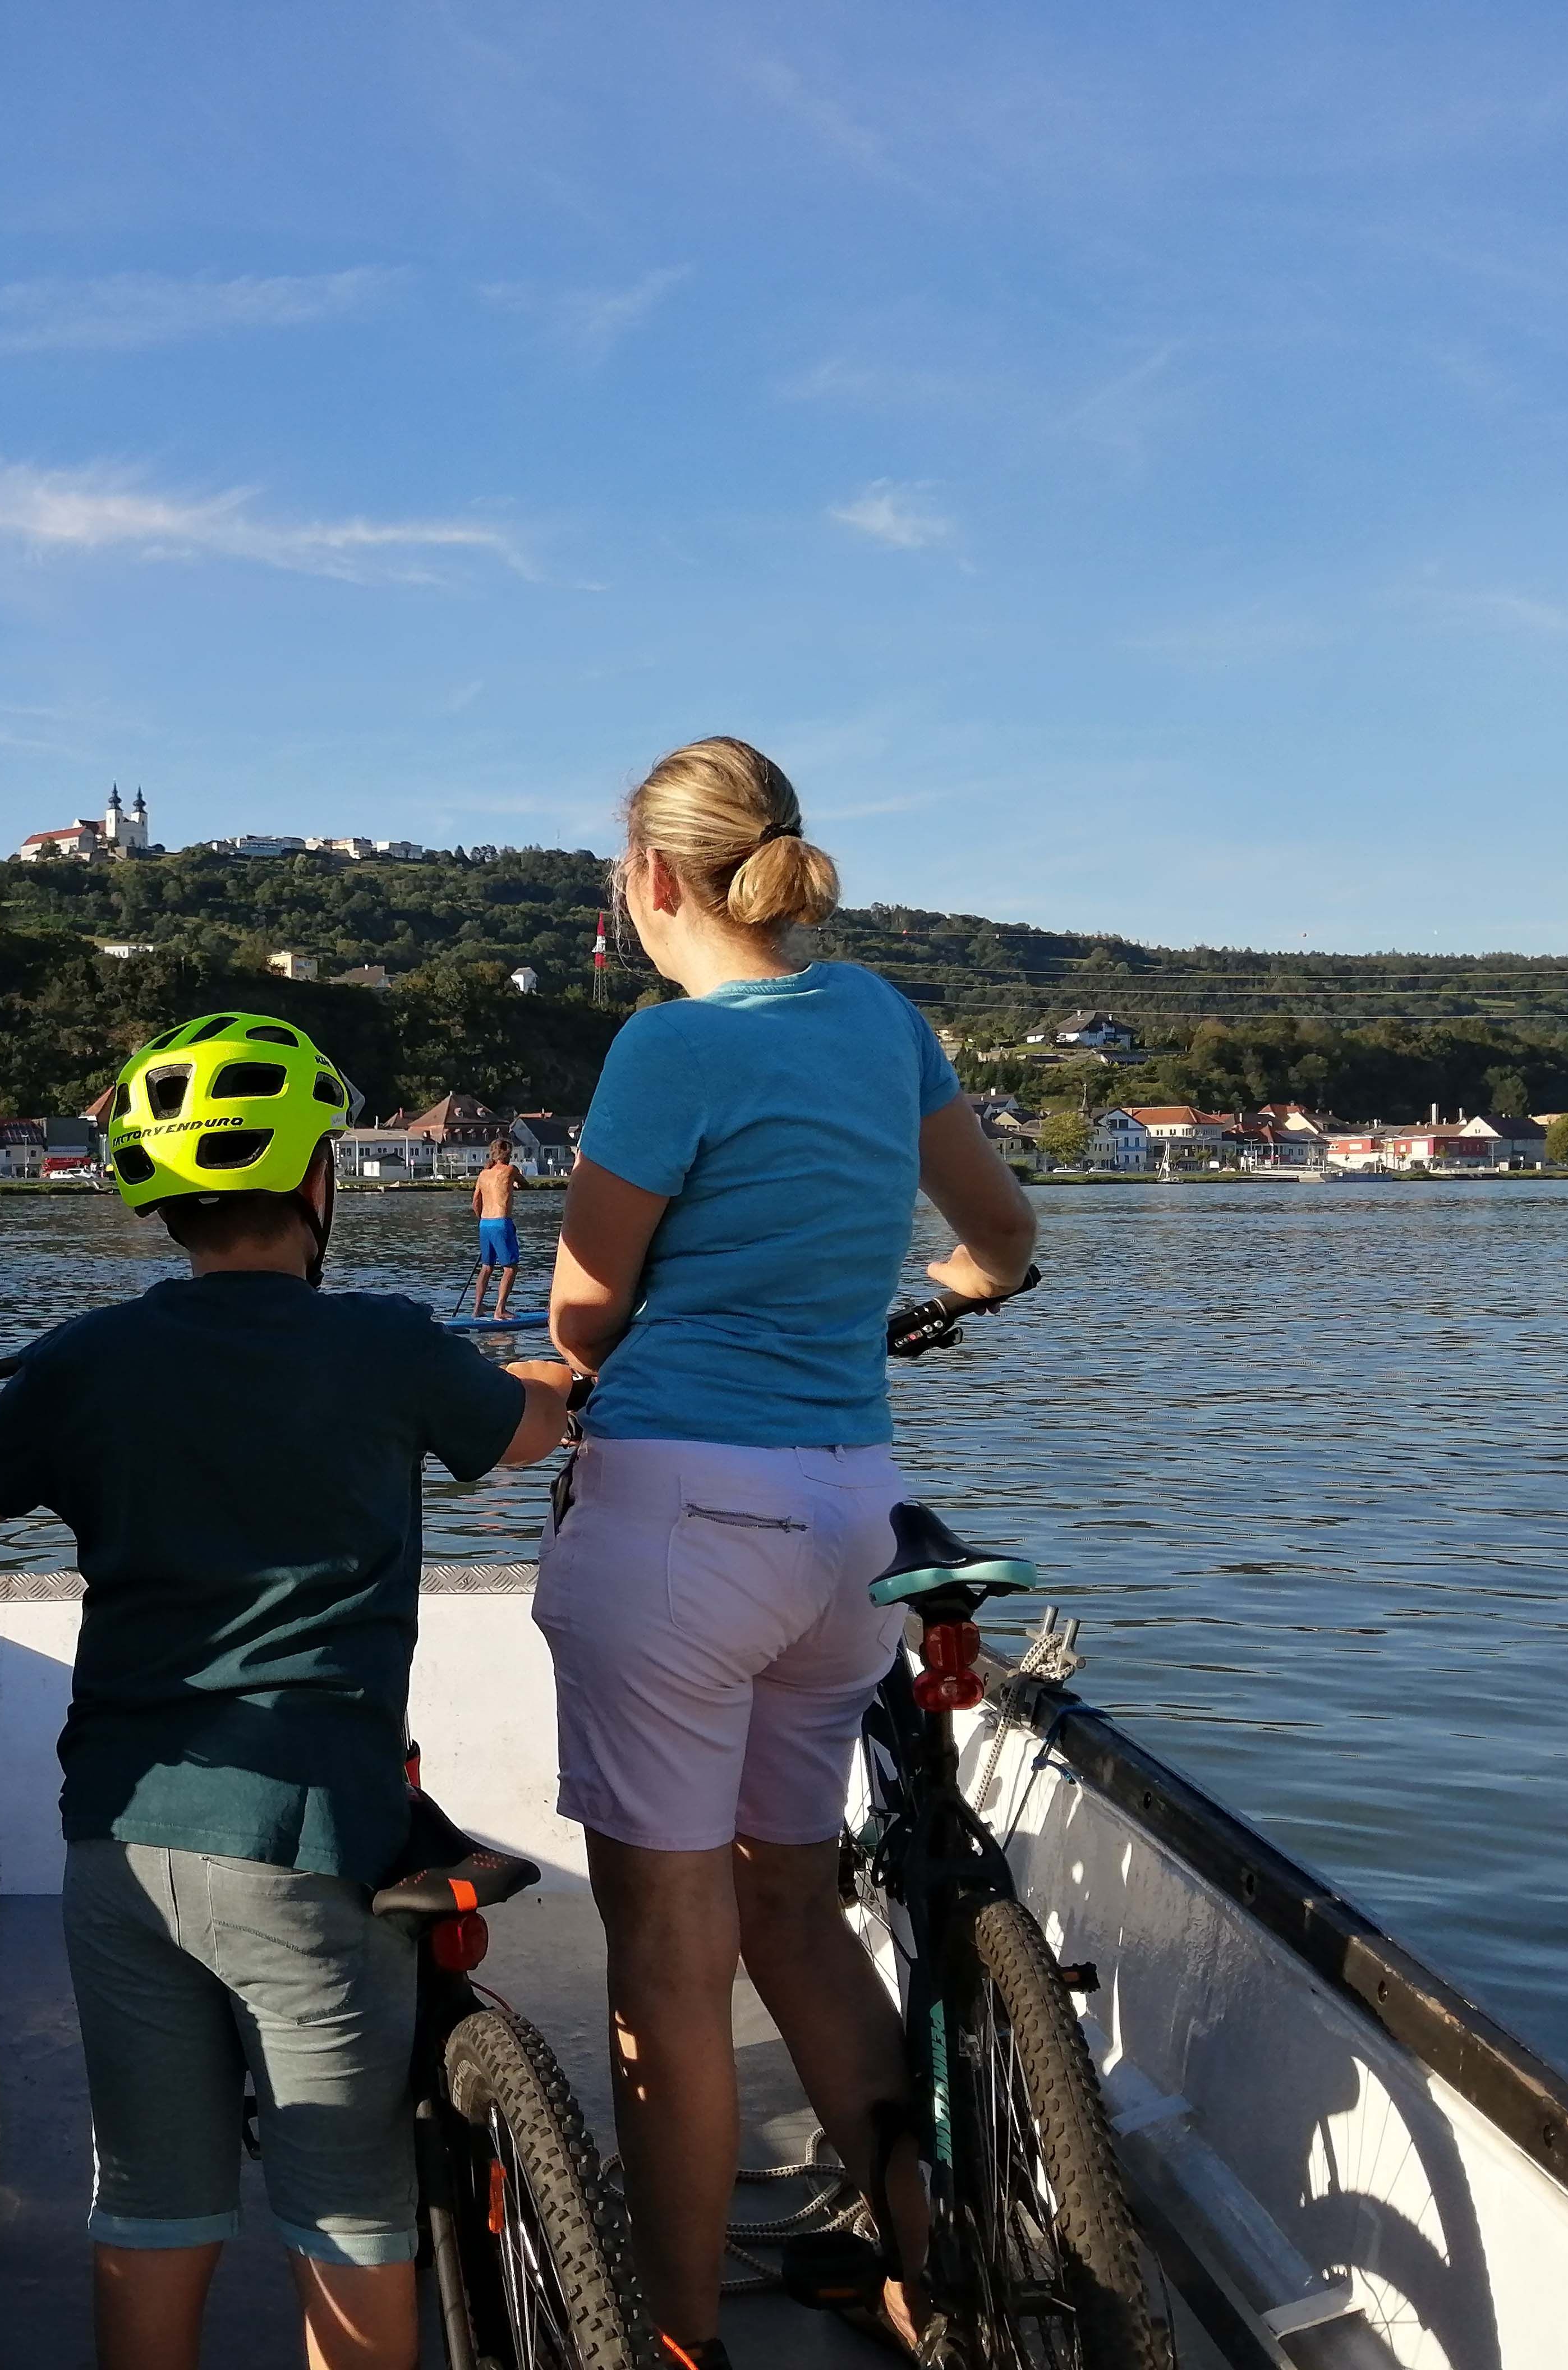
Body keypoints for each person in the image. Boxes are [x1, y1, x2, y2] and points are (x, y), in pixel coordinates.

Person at [0, 1014, 573, 2370]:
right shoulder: (386, 1344)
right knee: (345, 2217)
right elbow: (523, 1430)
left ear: (158, 1199)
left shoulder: (85, 1357)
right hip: (307, 1840)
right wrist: (560, 1372)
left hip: (119, 1840)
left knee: (150, 2206)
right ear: (318, 1180)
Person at [534, 738, 1036, 2370]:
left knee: (669, 1968)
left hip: (683, 1518)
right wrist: (936, 1296)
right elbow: (999, 1237)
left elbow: (581, 1316)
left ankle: (675, 2340)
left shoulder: (668, 1048)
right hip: (844, 1523)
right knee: (794, 1908)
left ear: (651, 879)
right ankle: (927, 2266)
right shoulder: (878, 1015)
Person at [470, 1133, 524, 1319]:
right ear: (508, 1154)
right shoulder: (511, 1170)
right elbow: (525, 1184)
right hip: (502, 1222)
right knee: (510, 1268)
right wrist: (515, 1185)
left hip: (485, 1224)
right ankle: (500, 1310)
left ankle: (477, 1308)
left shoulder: (483, 1175)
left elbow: (476, 1202)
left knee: (487, 1267)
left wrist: (483, 1219)